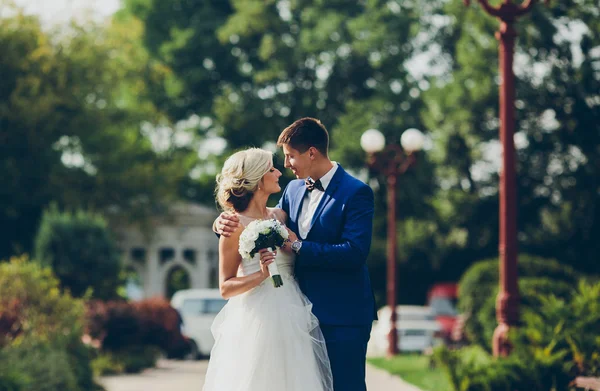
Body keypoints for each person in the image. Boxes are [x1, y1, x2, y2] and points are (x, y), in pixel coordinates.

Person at [215, 118, 376, 391]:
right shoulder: (293, 190)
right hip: (295, 317)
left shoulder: (356, 192)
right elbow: (255, 221)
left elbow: (354, 253)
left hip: (342, 315)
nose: (285, 165)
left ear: (311, 152)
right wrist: (220, 223)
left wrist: (298, 246)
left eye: (289, 156)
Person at [203, 147, 333, 391]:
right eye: (271, 169)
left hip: (294, 312)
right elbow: (225, 287)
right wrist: (261, 275)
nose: (278, 172)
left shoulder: (281, 216)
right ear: (258, 180)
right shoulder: (233, 227)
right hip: (257, 317)